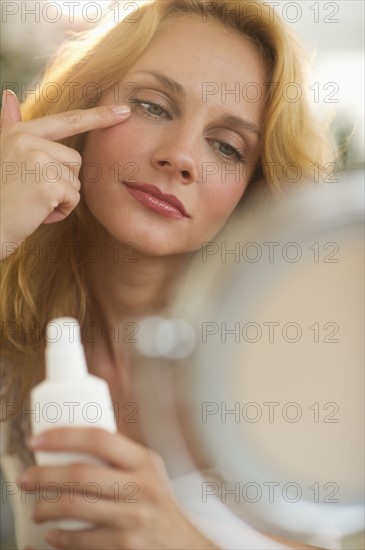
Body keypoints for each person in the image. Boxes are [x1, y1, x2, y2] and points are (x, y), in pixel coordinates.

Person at [1, 1, 333, 548]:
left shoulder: (293, 372)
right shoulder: (14, 330)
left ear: (253, 193)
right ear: (83, 110)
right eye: (154, 106)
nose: (181, 157)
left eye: (227, 146)